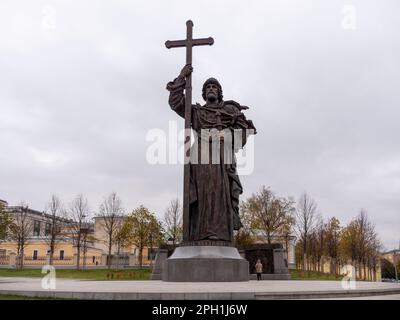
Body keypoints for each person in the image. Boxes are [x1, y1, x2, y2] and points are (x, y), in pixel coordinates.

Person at [167, 64, 257, 243]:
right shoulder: (196, 112)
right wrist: (181, 78)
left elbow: (245, 130)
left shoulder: (230, 111)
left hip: (221, 157)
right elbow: (176, 103)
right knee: (203, 194)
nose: (211, 89)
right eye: (207, 86)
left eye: (214, 86)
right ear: (203, 92)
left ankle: (220, 234)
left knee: (218, 192)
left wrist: (227, 135)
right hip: (200, 156)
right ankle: (200, 233)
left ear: (219, 91)